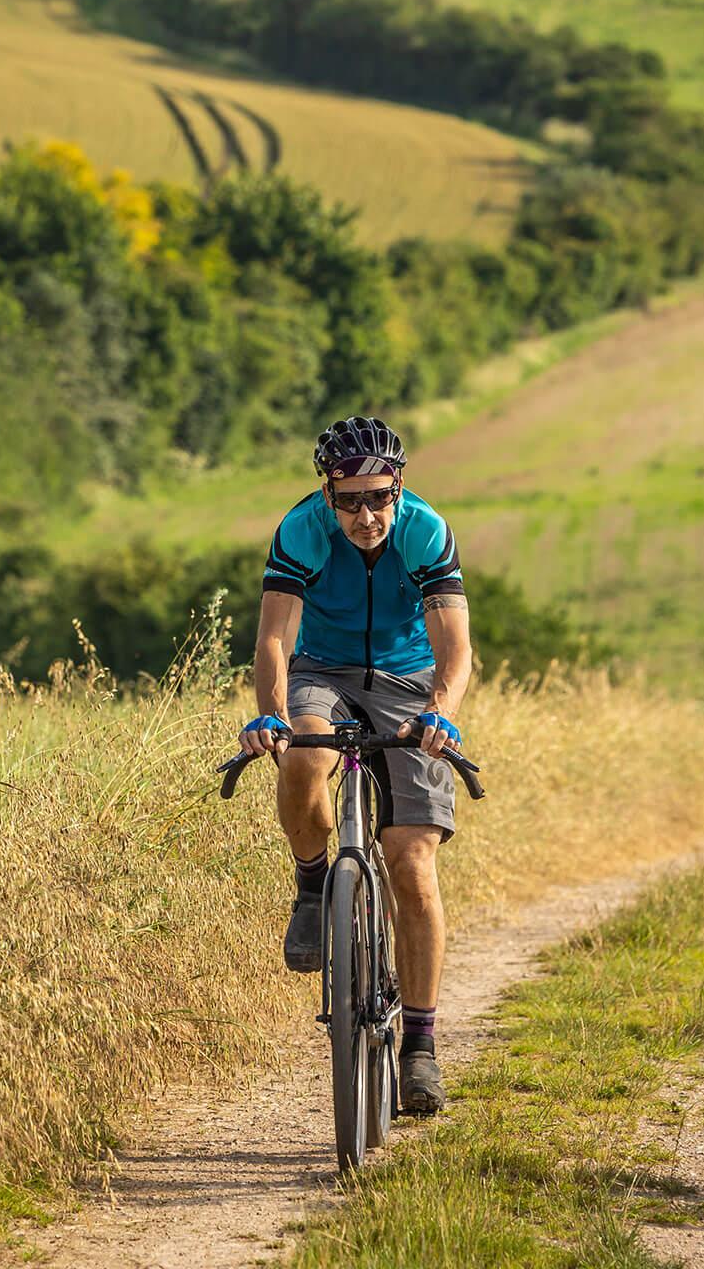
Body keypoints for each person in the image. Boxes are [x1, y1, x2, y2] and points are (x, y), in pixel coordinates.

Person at [238, 415, 471, 1116]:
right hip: (323, 670)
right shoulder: (301, 530)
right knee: (305, 756)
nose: (368, 515)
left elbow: (455, 647)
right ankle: (313, 886)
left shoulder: (424, 530)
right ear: (327, 493)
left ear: (400, 488)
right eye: (351, 501)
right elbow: (275, 638)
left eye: (382, 497)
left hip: (407, 678)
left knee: (412, 862)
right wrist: (272, 714)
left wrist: (441, 713)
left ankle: (421, 1048)